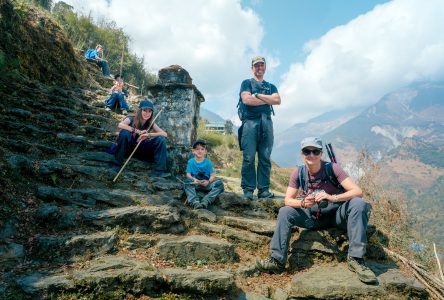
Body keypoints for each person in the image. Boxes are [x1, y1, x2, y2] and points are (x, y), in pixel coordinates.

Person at [256, 137, 377, 284]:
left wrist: (332, 197)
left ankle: (356, 259)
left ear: (321, 153)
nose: (311, 155)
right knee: (285, 211)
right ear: (302, 154)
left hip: (336, 216)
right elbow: (288, 200)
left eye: (315, 152)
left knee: (358, 203)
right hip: (311, 217)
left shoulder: (333, 169)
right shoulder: (298, 173)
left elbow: (358, 191)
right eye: (307, 151)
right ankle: (277, 260)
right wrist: (302, 203)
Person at [238, 56, 281, 200]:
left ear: (265, 67)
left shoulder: (271, 86)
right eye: (256, 65)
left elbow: (277, 100)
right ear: (252, 68)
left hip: (267, 123)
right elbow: (247, 100)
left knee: (265, 158)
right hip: (250, 123)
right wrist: (266, 100)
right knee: (249, 157)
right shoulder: (246, 83)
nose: (259, 67)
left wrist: (258, 95)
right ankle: (248, 190)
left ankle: (264, 190)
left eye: (262, 65)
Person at [112, 99, 168, 177]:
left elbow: (164, 134)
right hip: (128, 149)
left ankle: (159, 171)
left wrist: (148, 135)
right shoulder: (132, 118)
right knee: (125, 133)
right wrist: (137, 131)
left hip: (142, 151)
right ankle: (117, 164)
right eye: (145, 110)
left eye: (149, 111)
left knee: (161, 139)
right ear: (140, 110)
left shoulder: (151, 123)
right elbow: (120, 125)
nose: (147, 113)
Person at [184, 139, 224, 209]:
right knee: (186, 182)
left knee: (219, 184)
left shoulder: (208, 162)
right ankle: (194, 202)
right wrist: (193, 179)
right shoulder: (191, 162)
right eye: (197, 149)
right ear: (193, 151)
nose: (200, 151)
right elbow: (188, 174)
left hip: (206, 185)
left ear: (205, 151)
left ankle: (206, 201)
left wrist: (208, 181)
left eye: (202, 149)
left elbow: (212, 176)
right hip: (195, 183)